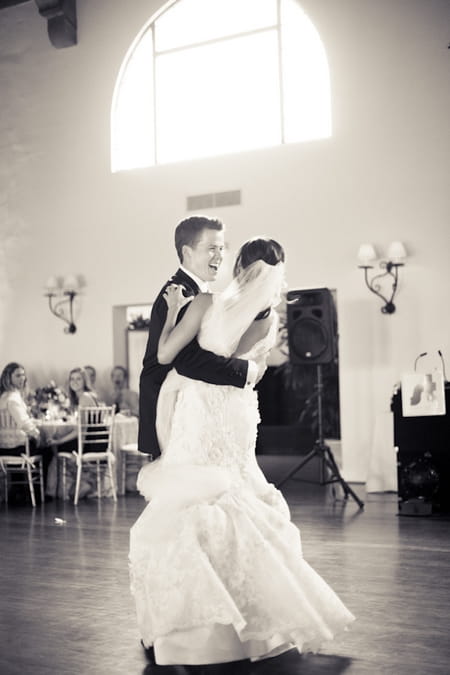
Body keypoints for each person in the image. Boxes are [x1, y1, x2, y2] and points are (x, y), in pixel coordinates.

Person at [129, 237, 355, 667]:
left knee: (197, 501)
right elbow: (255, 362)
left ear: (238, 267)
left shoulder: (209, 303)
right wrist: (249, 369)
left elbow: (173, 356)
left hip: (202, 409)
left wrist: (178, 312)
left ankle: (195, 627)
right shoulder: (267, 317)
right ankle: (254, 618)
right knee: (235, 491)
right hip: (234, 412)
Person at [137, 215, 263, 459]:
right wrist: (245, 370)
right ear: (187, 252)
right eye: (211, 249)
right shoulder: (179, 292)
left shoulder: (200, 292)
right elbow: (187, 359)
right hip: (170, 408)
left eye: (222, 248)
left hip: (190, 406)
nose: (219, 256)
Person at [0, 362, 52, 499]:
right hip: (14, 447)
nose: (22, 378)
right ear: (8, 378)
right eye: (18, 375)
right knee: (48, 451)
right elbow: (24, 423)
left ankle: (18, 488)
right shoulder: (13, 398)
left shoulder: (4, 396)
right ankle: (35, 491)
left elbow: (17, 420)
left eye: (23, 375)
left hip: (5, 446)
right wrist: (37, 434)